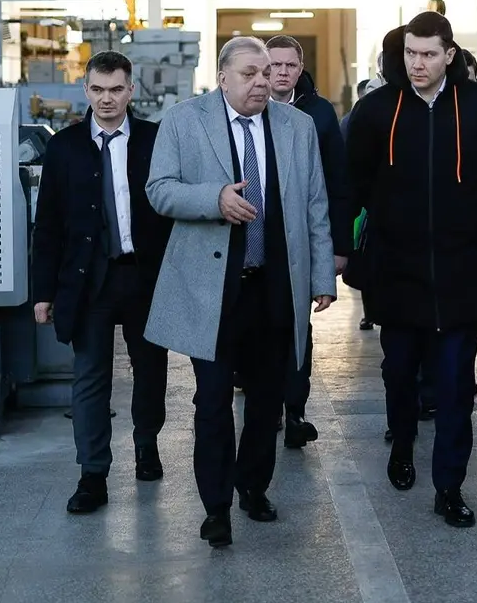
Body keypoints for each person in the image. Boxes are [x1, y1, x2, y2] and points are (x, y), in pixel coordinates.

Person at [144, 36, 337, 549]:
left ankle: (253, 486)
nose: (261, 82)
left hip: (274, 287)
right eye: (250, 73)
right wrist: (214, 199)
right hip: (213, 290)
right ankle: (215, 508)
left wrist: (322, 277)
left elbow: (315, 204)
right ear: (223, 77)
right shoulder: (184, 121)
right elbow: (159, 189)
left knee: (267, 400)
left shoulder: (297, 127)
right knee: (211, 401)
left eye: (267, 72)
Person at [346, 11, 477, 528]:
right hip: (396, 269)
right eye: (409, 54)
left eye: (427, 54)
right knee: (399, 373)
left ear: (449, 55)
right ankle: (402, 444)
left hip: (462, 272)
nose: (416, 64)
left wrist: (469, 226)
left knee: (455, 384)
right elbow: (355, 179)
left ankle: (449, 487)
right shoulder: (377, 109)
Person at [31, 51, 173, 514]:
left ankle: (146, 443)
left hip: (144, 276)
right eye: (97, 90)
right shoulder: (64, 147)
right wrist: (43, 292)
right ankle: (92, 474)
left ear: (131, 90)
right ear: (85, 90)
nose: (106, 99)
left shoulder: (156, 140)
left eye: (115, 90)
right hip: (88, 279)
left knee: (150, 369)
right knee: (90, 377)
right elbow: (48, 225)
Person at [265, 34, 354, 448]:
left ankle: (295, 410)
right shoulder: (245, 106)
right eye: (275, 64)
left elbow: (336, 183)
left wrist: (338, 248)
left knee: (298, 326)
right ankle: (264, 402)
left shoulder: (319, 114)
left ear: (301, 69)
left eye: (290, 65)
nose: (282, 72)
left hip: (300, 239)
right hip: (253, 237)